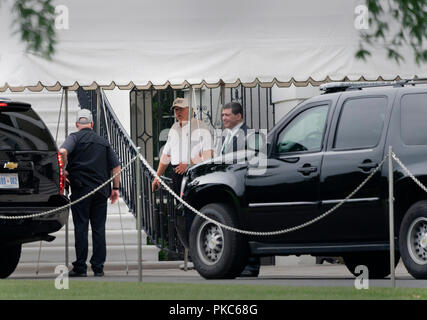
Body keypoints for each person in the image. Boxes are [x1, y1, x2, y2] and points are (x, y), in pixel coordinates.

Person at [59, 108, 121, 277]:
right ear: (92, 124)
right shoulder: (103, 141)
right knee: (99, 229)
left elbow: (63, 151)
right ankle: (98, 267)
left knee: (81, 228)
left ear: (77, 124)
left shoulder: (74, 137)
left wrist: (63, 169)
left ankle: (80, 267)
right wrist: (115, 189)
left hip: (81, 190)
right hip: (101, 191)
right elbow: (116, 166)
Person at [219, 101, 261, 277]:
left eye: (227, 115)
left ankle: (251, 265)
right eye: (222, 115)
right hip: (229, 186)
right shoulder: (225, 136)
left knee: (246, 226)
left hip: (244, 186)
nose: (223, 118)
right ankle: (240, 265)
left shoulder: (250, 135)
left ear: (239, 116)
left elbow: (256, 162)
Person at [152, 97, 213, 195]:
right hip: (176, 175)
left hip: (194, 173)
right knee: (180, 206)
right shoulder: (174, 127)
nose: (178, 112)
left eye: (181, 109)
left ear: (190, 110)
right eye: (176, 109)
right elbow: (166, 155)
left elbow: (208, 153)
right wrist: (157, 177)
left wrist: (189, 164)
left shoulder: (200, 126)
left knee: (192, 206)